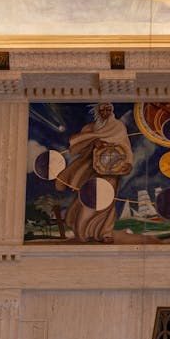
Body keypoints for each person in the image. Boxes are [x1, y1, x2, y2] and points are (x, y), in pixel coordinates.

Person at [55, 103, 133, 243]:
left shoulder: (119, 127)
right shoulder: (90, 128)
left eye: (108, 109)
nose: (105, 112)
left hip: (112, 171)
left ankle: (105, 233)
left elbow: (126, 146)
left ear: (112, 110)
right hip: (92, 169)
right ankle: (82, 231)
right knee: (88, 199)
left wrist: (128, 164)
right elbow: (78, 147)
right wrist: (93, 142)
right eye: (102, 110)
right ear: (97, 111)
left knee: (107, 202)